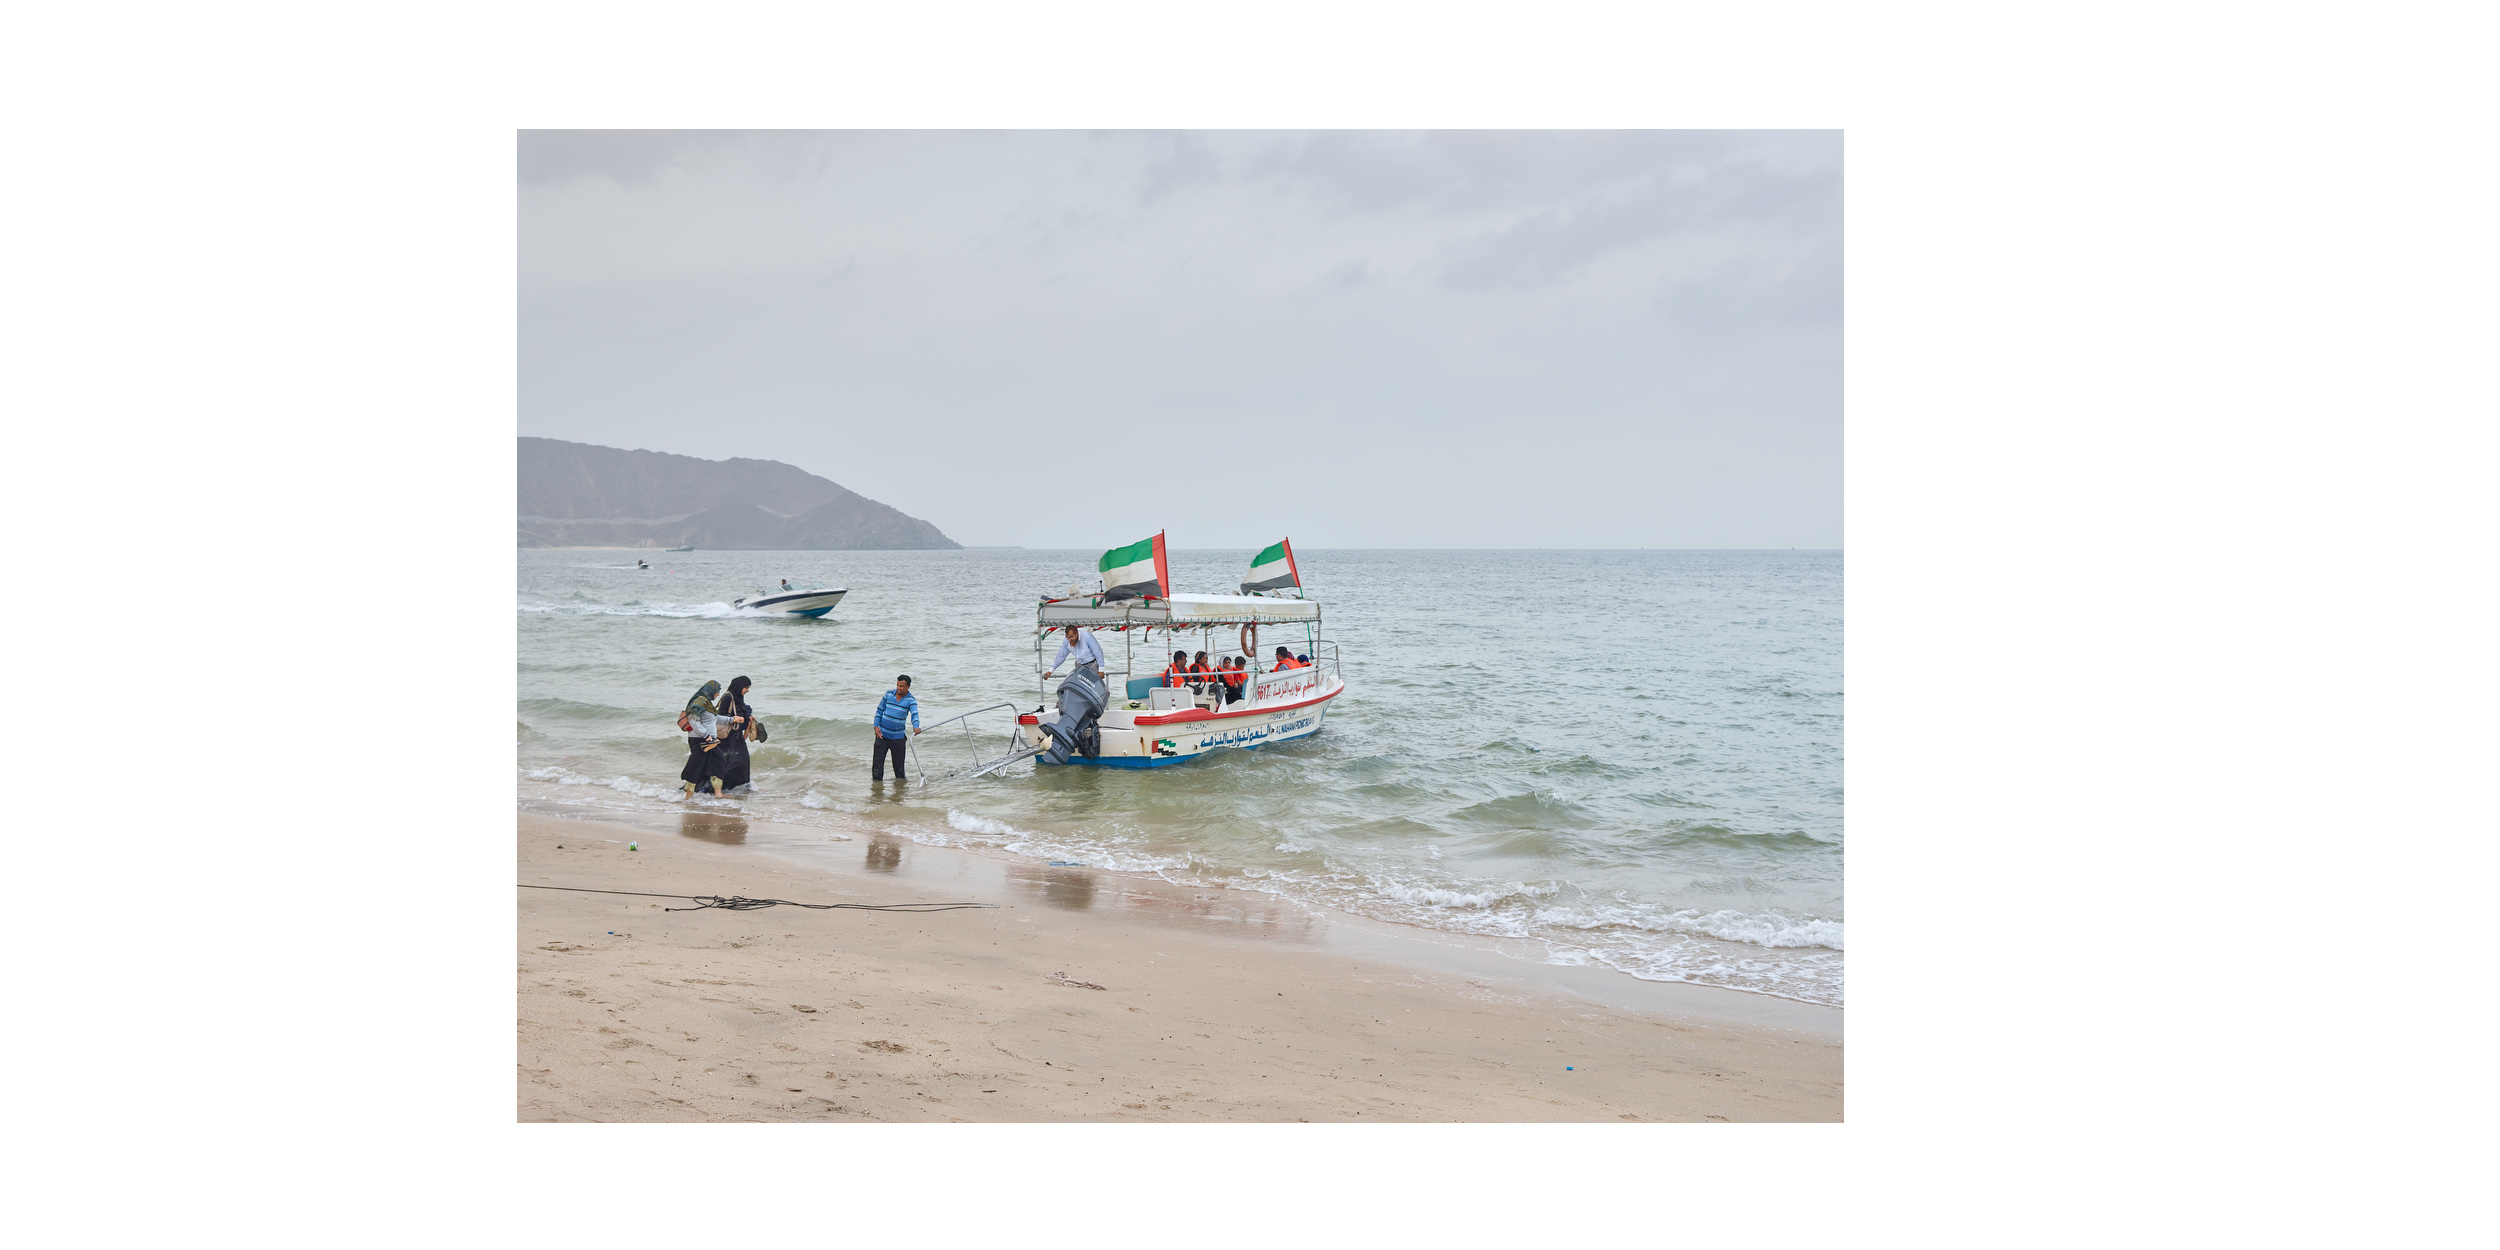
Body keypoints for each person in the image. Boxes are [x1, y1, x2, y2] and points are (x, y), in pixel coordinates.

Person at [678, 680, 745, 797]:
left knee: (718, 761)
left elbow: (715, 719)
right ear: (711, 691)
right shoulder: (699, 702)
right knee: (697, 765)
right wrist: (706, 736)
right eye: (717, 692)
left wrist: (733, 719)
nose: (718, 694)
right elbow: (694, 721)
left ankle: (717, 793)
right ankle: (688, 796)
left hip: (709, 740)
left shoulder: (706, 703)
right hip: (700, 740)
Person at [715, 676, 759, 792]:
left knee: (742, 763)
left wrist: (748, 716)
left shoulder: (738, 698)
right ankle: (724, 790)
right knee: (730, 764)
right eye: (746, 687)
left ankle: (742, 791)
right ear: (739, 686)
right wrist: (734, 719)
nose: (747, 690)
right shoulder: (728, 698)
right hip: (727, 739)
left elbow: (743, 709)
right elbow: (719, 717)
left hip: (737, 738)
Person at [872, 674, 920, 781]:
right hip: (882, 736)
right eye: (897, 685)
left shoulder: (911, 700)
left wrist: (916, 727)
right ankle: (876, 791)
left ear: (908, 686)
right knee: (877, 767)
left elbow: (914, 714)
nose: (899, 688)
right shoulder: (888, 694)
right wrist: (876, 726)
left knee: (899, 770)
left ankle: (899, 792)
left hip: (898, 739)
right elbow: (879, 710)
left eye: (902, 686)